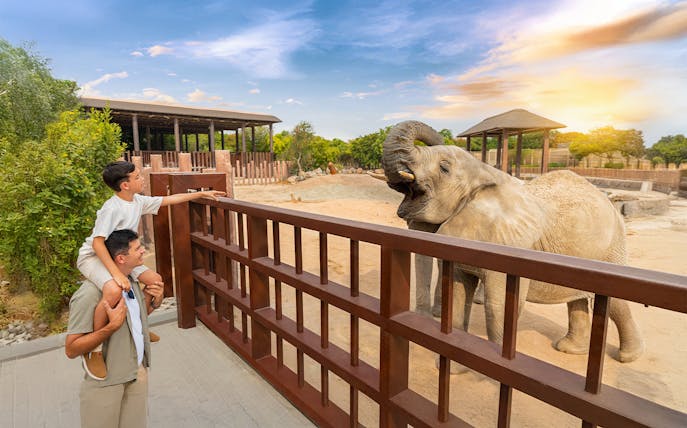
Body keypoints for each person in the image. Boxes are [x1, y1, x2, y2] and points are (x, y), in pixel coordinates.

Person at [76, 160, 225, 379]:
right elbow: (98, 243)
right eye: (137, 177)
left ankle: (140, 326)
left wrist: (200, 195)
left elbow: (168, 200)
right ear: (125, 185)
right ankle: (94, 350)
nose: (141, 178)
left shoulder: (137, 201)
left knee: (155, 281)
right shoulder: (111, 208)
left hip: (124, 257)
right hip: (95, 257)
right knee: (113, 291)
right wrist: (116, 275)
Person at [66, 229, 164, 428]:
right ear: (121, 258)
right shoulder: (89, 295)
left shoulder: (132, 282)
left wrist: (153, 303)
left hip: (136, 373)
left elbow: (132, 321)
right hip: (106, 383)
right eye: (137, 249)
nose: (143, 251)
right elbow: (72, 349)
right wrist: (110, 327)